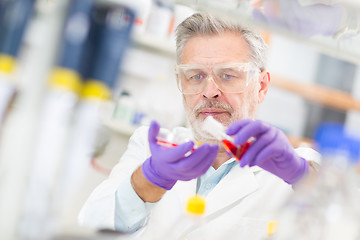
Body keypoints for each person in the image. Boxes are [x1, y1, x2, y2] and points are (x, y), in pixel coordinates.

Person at [78, 12, 319, 239]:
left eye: (228, 75)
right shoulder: (152, 148)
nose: (209, 92)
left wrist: (301, 175)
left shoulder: (295, 170)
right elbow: (92, 226)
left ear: (261, 86)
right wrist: (146, 182)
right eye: (196, 76)